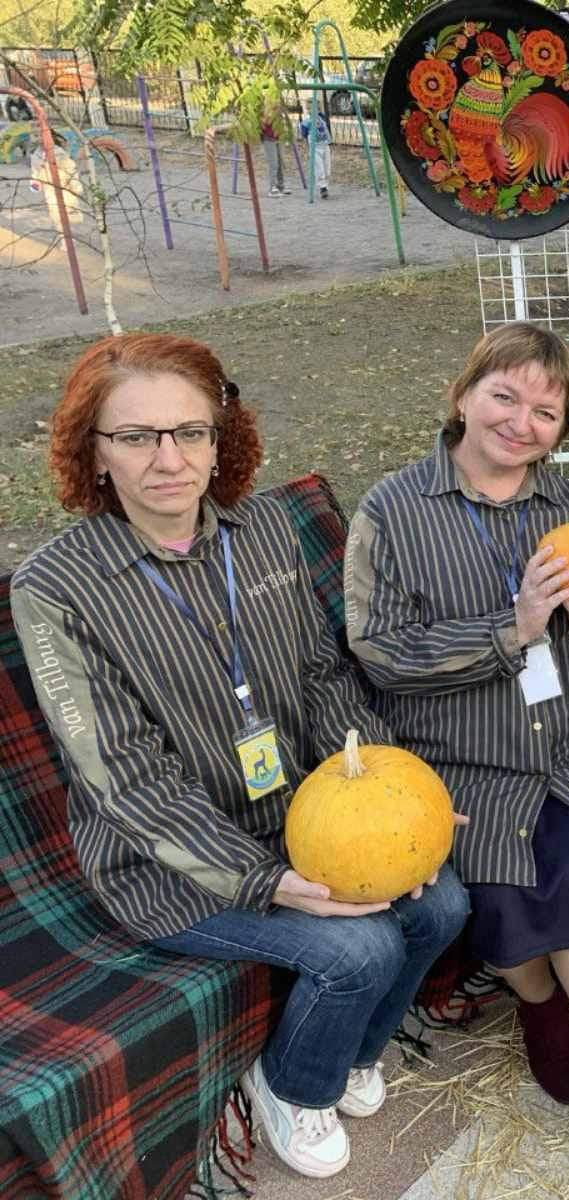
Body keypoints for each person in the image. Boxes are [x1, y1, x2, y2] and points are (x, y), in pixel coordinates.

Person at [12, 334, 469, 1182]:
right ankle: (290, 1086)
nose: (169, 459)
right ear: (94, 452)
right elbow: (123, 776)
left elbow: (322, 675)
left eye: (190, 431)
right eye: (136, 437)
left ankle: (351, 1053)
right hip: (170, 862)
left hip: (302, 814)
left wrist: (399, 799)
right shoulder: (57, 588)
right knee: (360, 951)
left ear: (221, 438)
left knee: (441, 901)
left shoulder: (261, 532)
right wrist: (264, 880)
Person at [343, 322, 569, 1187]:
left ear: (561, 431)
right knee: (493, 892)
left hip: (567, 749)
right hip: (461, 762)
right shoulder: (392, 511)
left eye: (546, 412)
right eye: (504, 396)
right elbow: (380, 656)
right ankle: (537, 1003)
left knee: (566, 864)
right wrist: (510, 630)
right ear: (462, 395)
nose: (521, 422)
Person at [299, 100, 331, 199]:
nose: (312, 111)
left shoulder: (322, 118)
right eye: (309, 109)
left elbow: (325, 127)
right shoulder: (306, 122)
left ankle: (326, 185)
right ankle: (323, 187)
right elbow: (304, 135)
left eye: (315, 108)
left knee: (327, 168)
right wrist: (307, 146)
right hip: (315, 148)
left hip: (325, 146)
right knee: (319, 168)